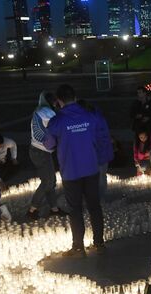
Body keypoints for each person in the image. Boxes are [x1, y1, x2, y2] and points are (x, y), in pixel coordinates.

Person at [44, 83, 109, 258]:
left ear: (58, 101)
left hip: (71, 171)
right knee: (95, 206)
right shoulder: (90, 115)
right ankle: (99, 243)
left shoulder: (57, 121)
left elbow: (48, 145)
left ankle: (78, 247)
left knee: (75, 209)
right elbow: (101, 137)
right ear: (75, 96)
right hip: (91, 168)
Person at [27, 91, 66, 221]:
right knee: (48, 182)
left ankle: (54, 208)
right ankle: (32, 209)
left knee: (51, 181)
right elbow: (57, 126)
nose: (57, 104)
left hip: (41, 151)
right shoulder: (46, 112)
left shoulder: (41, 110)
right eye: (55, 102)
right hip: (40, 152)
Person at [78, 99, 114, 198]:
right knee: (100, 176)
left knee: (100, 176)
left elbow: (100, 137)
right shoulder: (96, 117)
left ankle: (99, 197)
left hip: (99, 152)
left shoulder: (92, 119)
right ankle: (98, 196)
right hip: (100, 151)